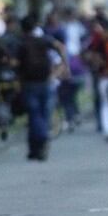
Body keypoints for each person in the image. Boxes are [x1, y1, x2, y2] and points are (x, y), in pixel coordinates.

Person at [17, 14, 66, 160]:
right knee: (44, 113)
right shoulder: (44, 40)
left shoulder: (21, 43)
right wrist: (63, 65)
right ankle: (38, 146)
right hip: (45, 81)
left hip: (29, 83)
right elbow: (60, 47)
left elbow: (15, 63)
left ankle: (38, 143)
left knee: (34, 115)